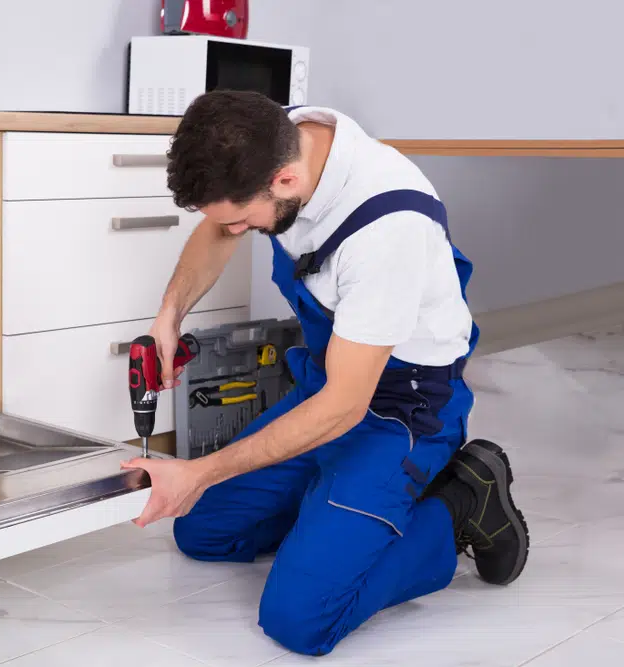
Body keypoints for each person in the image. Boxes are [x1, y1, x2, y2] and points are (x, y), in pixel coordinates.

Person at [120, 91, 530, 657]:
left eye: (245, 220)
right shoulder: (280, 136)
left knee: (302, 620)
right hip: (327, 383)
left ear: (285, 181)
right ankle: (339, 509)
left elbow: (345, 407)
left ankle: (463, 500)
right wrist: (170, 314)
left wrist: (199, 471)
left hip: (400, 410)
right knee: (203, 531)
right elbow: (219, 228)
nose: (236, 232)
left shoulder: (387, 231)